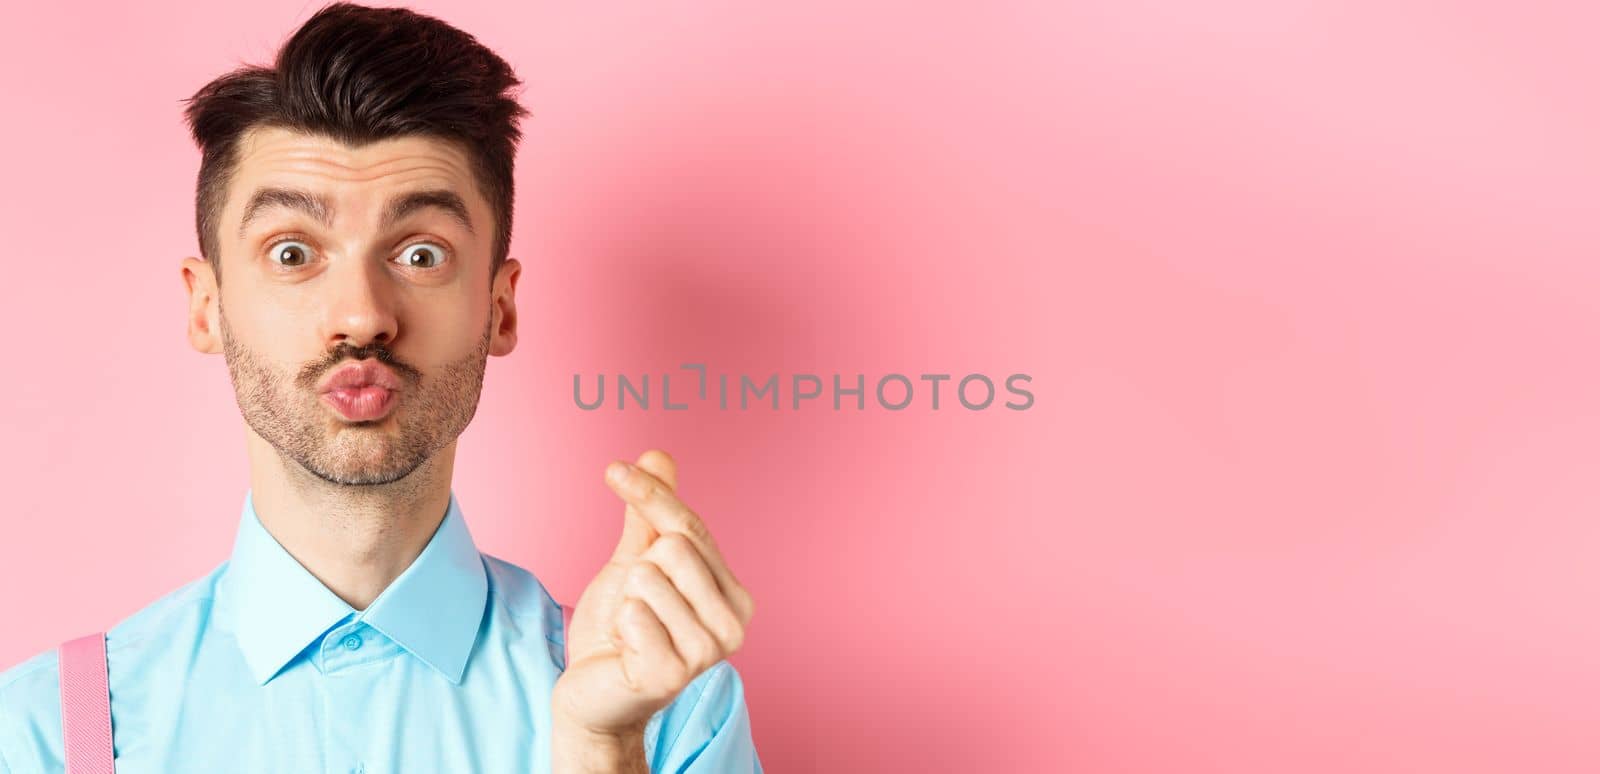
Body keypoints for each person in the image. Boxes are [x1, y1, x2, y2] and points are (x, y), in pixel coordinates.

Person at [0, 3, 759, 772]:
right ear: (207, 305)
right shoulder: (47, 731)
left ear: (498, 309)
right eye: (293, 251)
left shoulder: (668, 713)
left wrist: (603, 749)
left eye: (422, 254)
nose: (362, 317)